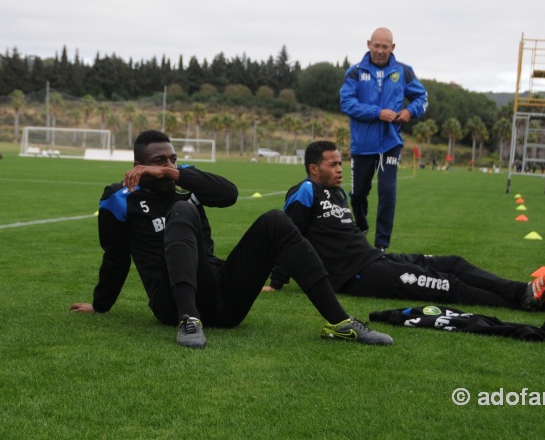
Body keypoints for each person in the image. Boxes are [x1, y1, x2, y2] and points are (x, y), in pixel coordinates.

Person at [70, 130, 393, 347]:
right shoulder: (119, 198)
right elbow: (115, 256)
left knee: (275, 221)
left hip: (224, 300)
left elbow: (229, 194)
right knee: (181, 212)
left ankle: (340, 322)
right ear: (139, 166)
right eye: (159, 162)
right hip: (171, 302)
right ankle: (189, 321)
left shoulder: (186, 182)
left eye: (172, 159)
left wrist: (175, 173)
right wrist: (100, 306)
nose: (168, 166)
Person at [263, 141, 545, 313]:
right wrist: (277, 281)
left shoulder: (339, 194)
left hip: (374, 259)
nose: (341, 169)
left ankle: (526, 291)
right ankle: (529, 300)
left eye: (342, 163)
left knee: (453, 264)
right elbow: (290, 237)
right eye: (333, 164)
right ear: (314, 169)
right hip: (355, 275)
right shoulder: (303, 191)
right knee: (446, 284)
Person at [339, 27, 428, 250]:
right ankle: (361, 225)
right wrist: (377, 113)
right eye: (376, 45)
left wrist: (410, 111)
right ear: (368, 44)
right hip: (362, 145)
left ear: (393, 48)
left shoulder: (403, 71)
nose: (380, 50)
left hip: (390, 144)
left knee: (387, 193)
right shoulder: (355, 72)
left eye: (385, 46)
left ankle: (381, 246)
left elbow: (422, 97)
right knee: (358, 194)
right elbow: (347, 103)